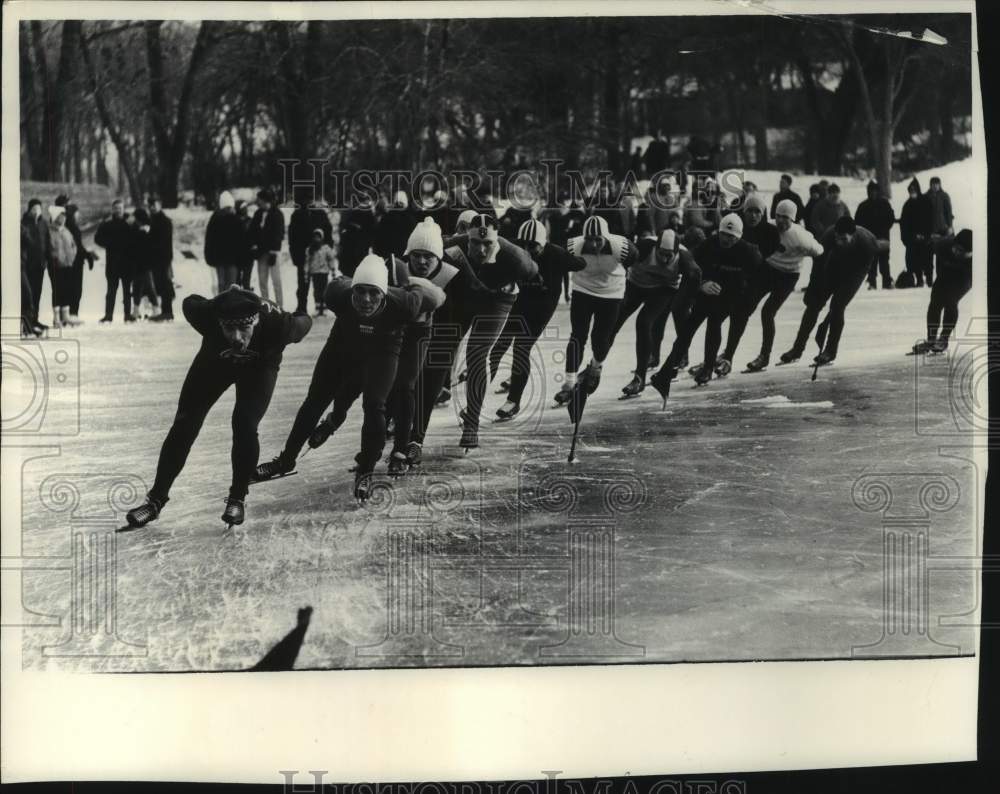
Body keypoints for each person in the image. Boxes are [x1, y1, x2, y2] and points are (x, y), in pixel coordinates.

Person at [253, 255, 445, 502]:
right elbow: (339, 281)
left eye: (374, 293)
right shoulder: (336, 294)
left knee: (375, 405)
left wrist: (414, 283)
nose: (366, 300)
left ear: (385, 294)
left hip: (383, 351)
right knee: (315, 400)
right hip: (343, 346)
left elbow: (438, 296)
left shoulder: (406, 303)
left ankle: (365, 472)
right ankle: (286, 460)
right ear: (351, 290)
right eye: (360, 292)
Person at [124, 286, 313, 528]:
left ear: (255, 322)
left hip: (259, 369)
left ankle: (237, 498)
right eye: (229, 328)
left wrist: (298, 311)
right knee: (185, 423)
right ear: (218, 321)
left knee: (245, 424)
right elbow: (189, 301)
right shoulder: (205, 314)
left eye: (243, 328)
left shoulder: (280, 325)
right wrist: (221, 298)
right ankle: (155, 501)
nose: (236, 337)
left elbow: (304, 321)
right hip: (214, 364)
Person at [409, 214, 537, 452]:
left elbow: (535, 269)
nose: (480, 249)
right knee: (442, 347)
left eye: (487, 244)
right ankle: (413, 419)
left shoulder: (515, 258)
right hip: (466, 295)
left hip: (498, 299)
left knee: (477, 354)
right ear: (466, 238)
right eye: (474, 243)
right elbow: (419, 254)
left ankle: (472, 423)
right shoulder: (452, 245)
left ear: (496, 241)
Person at [648, 213, 761, 399]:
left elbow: (757, 280)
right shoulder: (709, 244)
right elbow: (691, 269)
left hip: (732, 295)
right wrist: (702, 284)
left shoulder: (750, 252)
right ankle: (667, 372)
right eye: (724, 234)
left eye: (732, 237)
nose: (726, 239)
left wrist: (744, 302)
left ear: (739, 237)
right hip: (706, 290)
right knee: (687, 329)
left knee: (714, 323)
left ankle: (708, 368)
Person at [489, 219, 587, 417]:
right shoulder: (515, 249)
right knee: (499, 346)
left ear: (544, 244)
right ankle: (479, 392)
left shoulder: (556, 254)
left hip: (542, 307)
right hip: (521, 301)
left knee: (521, 348)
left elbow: (581, 263)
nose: (526, 250)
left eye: (532, 246)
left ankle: (513, 401)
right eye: (522, 245)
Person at [721, 198, 824, 373]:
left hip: (788, 276)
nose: (781, 221)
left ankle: (764, 356)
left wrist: (816, 282)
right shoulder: (768, 227)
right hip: (768, 270)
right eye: (778, 216)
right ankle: (728, 355)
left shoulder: (801, 237)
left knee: (767, 312)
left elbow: (820, 252)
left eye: (786, 217)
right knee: (743, 309)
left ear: (793, 219)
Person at [553, 214, 636, 404]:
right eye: (589, 240)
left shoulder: (622, 247)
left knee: (601, 338)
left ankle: (596, 366)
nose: (594, 244)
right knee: (578, 335)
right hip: (583, 289)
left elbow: (635, 261)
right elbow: (558, 263)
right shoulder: (573, 246)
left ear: (606, 237)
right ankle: (569, 383)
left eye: (598, 240)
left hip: (611, 293)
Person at [609, 228, 700, 397]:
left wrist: (686, 304)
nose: (664, 259)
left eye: (669, 255)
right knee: (614, 321)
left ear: (676, 253)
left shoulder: (685, 260)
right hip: (636, 286)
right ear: (655, 248)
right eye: (661, 254)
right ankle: (595, 365)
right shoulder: (643, 248)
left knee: (644, 322)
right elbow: (618, 263)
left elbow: (695, 280)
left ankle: (639, 378)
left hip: (663, 290)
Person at [778, 216, 878, 367]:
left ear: (854, 235)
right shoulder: (829, 236)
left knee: (837, 307)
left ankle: (830, 351)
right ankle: (797, 349)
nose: (839, 242)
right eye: (838, 238)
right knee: (813, 306)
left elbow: (864, 269)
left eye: (844, 239)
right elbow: (818, 266)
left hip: (855, 272)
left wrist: (868, 280)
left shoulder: (867, 243)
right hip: (832, 268)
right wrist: (813, 291)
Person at [912, 229, 972, 354]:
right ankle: (931, 339)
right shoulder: (943, 245)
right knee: (936, 301)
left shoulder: (977, 259)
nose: (957, 253)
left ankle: (944, 338)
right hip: (945, 272)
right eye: (956, 249)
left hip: (965, 277)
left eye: (962, 252)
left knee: (951, 300)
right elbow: (938, 266)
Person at [288, 191, 334, 313]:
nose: (308, 202)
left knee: (320, 283)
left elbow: (328, 232)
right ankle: (302, 306)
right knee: (303, 283)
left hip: (320, 255)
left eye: (310, 199)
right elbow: (292, 237)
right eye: (306, 200)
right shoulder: (297, 215)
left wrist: (327, 249)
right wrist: (295, 255)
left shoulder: (320, 213)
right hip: (303, 255)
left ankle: (321, 306)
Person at [95, 199, 135, 323]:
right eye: (116, 208)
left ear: (123, 210)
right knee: (111, 291)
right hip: (112, 263)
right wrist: (109, 244)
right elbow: (97, 238)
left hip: (127, 262)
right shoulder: (107, 224)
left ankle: (127, 315)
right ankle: (108, 315)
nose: (118, 210)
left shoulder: (130, 223)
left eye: (120, 208)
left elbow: (137, 238)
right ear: (112, 210)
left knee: (127, 291)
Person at [58, 199, 96, 325]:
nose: (78, 215)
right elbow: (78, 246)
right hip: (75, 262)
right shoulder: (72, 227)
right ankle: (72, 314)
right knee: (75, 289)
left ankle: (68, 315)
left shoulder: (69, 226)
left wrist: (87, 255)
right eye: (77, 213)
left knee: (69, 289)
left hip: (72, 261)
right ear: (73, 214)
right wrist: (88, 256)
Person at [855, 180, 896, 290]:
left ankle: (887, 282)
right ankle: (872, 282)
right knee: (871, 262)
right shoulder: (863, 206)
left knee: (884, 261)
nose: (873, 193)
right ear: (868, 192)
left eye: (875, 191)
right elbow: (857, 223)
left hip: (883, 237)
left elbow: (891, 218)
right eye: (871, 191)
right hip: (869, 238)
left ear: (878, 191)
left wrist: (885, 228)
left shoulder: (885, 203)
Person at [204, 191, 245, 294]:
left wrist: (209, 257)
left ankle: (221, 307)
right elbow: (242, 241)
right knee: (231, 286)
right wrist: (242, 259)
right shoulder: (236, 220)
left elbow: (209, 240)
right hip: (232, 260)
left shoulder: (215, 219)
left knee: (221, 286)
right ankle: (230, 307)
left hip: (219, 259)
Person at [251, 189, 286, 306]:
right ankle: (265, 306)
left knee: (276, 280)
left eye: (259, 199)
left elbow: (279, 234)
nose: (258, 202)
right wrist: (254, 246)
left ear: (265, 200)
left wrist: (274, 251)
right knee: (262, 281)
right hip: (261, 252)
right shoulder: (257, 214)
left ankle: (280, 306)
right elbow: (253, 231)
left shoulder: (277, 214)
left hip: (273, 252)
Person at [46, 205, 78, 329]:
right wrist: (54, 257)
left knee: (67, 289)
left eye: (64, 216)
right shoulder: (49, 231)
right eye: (60, 216)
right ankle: (56, 318)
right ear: (55, 217)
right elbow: (48, 247)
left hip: (67, 264)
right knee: (57, 290)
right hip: (55, 266)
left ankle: (66, 316)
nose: (63, 219)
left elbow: (73, 245)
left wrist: (72, 256)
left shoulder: (66, 231)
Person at [899, 178, 933, 287]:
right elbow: (904, 224)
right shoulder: (907, 205)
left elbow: (931, 220)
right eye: (911, 190)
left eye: (914, 189)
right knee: (914, 260)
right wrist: (909, 237)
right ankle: (919, 279)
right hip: (912, 239)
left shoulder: (926, 202)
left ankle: (929, 279)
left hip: (925, 237)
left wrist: (926, 235)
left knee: (928, 260)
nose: (912, 192)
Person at [21, 198, 51, 324]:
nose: (36, 211)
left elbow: (47, 241)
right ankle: (27, 321)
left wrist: (47, 259)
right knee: (29, 294)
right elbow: (26, 242)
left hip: (40, 263)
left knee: (38, 292)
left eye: (38, 208)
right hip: (28, 264)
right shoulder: (24, 223)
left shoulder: (43, 223)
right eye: (34, 209)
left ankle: (35, 319)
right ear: (29, 210)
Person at [129, 207, 160, 319]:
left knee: (144, 287)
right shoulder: (144, 229)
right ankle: (146, 309)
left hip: (142, 263)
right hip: (143, 263)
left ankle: (150, 309)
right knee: (142, 287)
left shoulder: (141, 229)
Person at [925, 176, 954, 286]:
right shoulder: (926, 196)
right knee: (928, 256)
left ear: (940, 185)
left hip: (943, 230)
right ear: (930, 185)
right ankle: (929, 279)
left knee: (941, 257)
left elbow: (949, 212)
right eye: (933, 184)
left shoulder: (944, 196)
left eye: (937, 184)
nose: (935, 186)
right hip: (930, 230)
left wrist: (950, 226)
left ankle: (940, 279)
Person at [303, 228, 339, 315]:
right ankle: (317, 307)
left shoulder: (326, 249)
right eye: (315, 237)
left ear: (322, 238)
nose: (316, 239)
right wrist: (306, 273)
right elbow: (307, 262)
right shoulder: (310, 249)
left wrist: (333, 269)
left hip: (324, 272)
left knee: (324, 290)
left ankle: (324, 308)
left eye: (318, 237)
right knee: (316, 290)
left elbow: (331, 259)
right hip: (315, 273)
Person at [234, 199, 255, 290]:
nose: (245, 209)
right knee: (237, 280)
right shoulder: (234, 220)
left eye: (246, 207)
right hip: (237, 255)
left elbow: (255, 235)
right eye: (243, 207)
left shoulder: (250, 220)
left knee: (246, 280)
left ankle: (247, 298)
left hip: (249, 254)